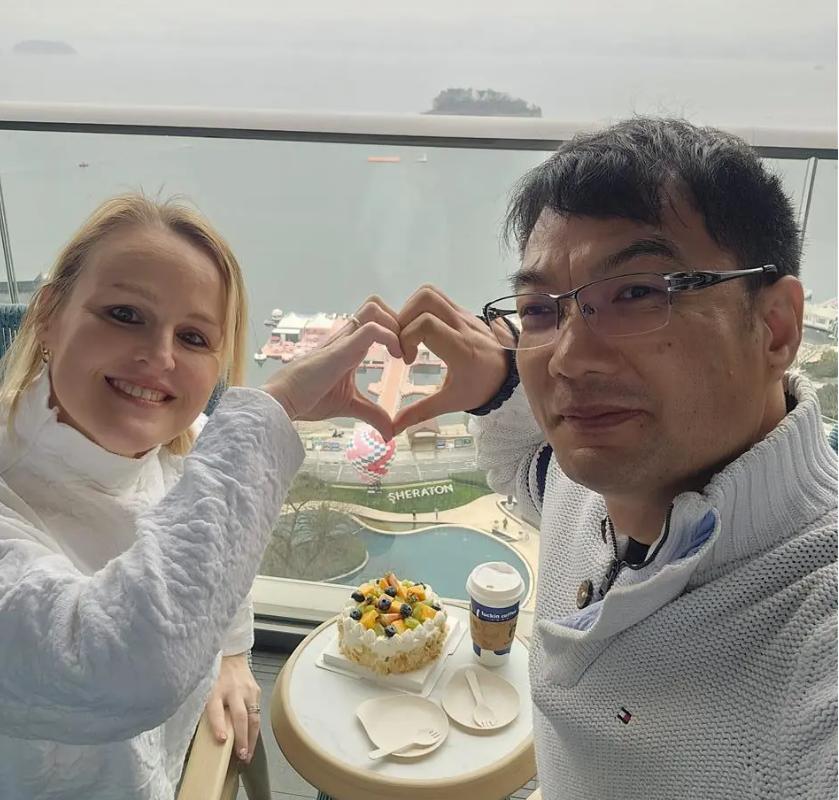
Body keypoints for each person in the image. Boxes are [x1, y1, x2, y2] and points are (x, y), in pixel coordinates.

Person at [390, 119, 837, 798]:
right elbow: (524, 468)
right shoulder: (589, 489)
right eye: (541, 311)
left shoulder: (815, 637)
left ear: (775, 328)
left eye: (636, 293)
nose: (568, 360)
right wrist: (500, 386)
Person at [0, 194, 401, 799]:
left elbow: (215, 535)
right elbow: (116, 663)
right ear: (49, 315)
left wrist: (230, 651)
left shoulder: (191, 451)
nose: (159, 356)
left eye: (192, 336)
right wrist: (275, 407)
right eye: (125, 314)